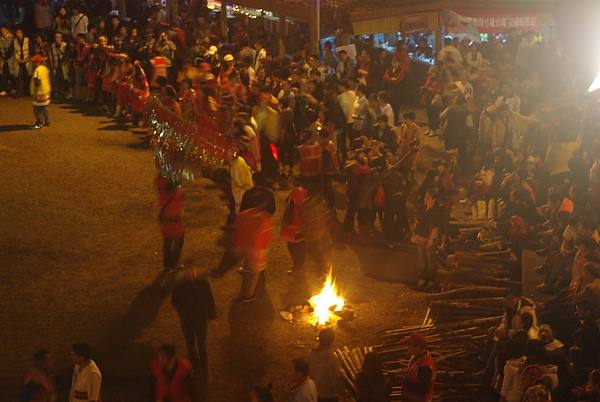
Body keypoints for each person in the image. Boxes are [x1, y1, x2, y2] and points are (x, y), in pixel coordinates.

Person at [171, 264, 218, 375]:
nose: (190, 274)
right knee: (190, 345)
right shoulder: (179, 286)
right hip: (187, 319)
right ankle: (196, 368)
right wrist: (181, 311)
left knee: (201, 344)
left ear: (195, 270)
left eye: (192, 271)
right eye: (188, 271)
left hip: (199, 319)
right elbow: (174, 301)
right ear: (185, 272)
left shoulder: (203, 284)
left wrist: (212, 317)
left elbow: (210, 300)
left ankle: (204, 368)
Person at [232, 188, 275, 301]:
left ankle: (246, 276)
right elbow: (264, 236)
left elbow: (238, 230)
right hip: (256, 250)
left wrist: (238, 245)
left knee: (249, 266)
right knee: (255, 273)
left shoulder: (244, 214)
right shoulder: (264, 218)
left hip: (245, 247)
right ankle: (248, 295)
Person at [155, 173, 186, 270]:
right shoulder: (180, 193)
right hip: (177, 224)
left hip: (165, 222)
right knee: (178, 244)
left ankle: (166, 264)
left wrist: (163, 171)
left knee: (167, 242)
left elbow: (158, 180)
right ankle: (174, 263)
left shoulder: (161, 191)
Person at [414, 189, 442, 290]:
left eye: (428, 197)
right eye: (425, 197)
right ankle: (422, 277)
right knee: (421, 260)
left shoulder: (435, 212)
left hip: (429, 239)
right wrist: (416, 223)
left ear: (434, 200)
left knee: (431, 260)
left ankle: (432, 279)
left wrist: (431, 240)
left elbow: (435, 227)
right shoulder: (422, 208)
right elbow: (417, 218)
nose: (425, 199)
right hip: (420, 237)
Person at [281, 175, 308, 278]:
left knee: (294, 250)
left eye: (290, 181)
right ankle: (299, 268)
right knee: (301, 250)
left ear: (293, 183)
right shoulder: (304, 192)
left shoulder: (293, 196)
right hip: (303, 227)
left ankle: (297, 270)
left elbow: (288, 213)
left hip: (294, 229)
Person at [306, 328, 344, 402]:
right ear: (332, 341)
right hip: (326, 396)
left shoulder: (310, 354)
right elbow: (333, 381)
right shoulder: (332, 359)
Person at [400, 332, 436, 402]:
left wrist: (404, 382)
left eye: (409, 346)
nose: (407, 348)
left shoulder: (425, 367)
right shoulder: (415, 356)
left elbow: (422, 389)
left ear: (417, 347)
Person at [30, 54, 51, 129]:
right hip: (46, 91)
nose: (32, 63)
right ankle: (48, 121)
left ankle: (39, 123)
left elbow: (37, 82)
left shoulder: (37, 71)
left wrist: (35, 92)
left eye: (34, 61)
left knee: (37, 108)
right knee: (45, 107)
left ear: (37, 62)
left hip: (39, 92)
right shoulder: (44, 68)